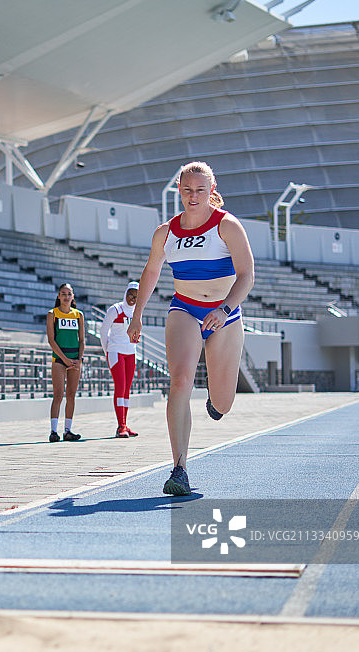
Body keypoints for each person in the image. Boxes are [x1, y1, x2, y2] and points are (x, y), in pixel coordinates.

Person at [127, 161, 254, 496]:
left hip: (224, 314)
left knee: (224, 404)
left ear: (211, 191)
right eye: (187, 190)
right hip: (185, 309)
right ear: (179, 190)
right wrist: (137, 314)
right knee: (180, 380)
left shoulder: (227, 226)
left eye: (200, 190)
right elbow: (151, 273)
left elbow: (247, 276)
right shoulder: (165, 232)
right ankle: (179, 468)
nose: (193, 196)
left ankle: (216, 399)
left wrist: (225, 309)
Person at [100, 281, 140, 438]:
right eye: (130, 294)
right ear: (126, 293)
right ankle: (120, 426)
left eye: (136, 296)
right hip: (116, 352)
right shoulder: (115, 309)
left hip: (131, 353)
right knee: (120, 386)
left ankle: (125, 424)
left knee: (127, 389)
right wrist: (107, 350)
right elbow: (103, 331)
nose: (132, 298)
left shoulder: (137, 311)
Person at [46, 283, 85, 442]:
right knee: (58, 394)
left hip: (75, 360)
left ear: (73, 296)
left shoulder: (78, 315)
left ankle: (68, 431)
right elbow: (51, 340)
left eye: (69, 294)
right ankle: (53, 431)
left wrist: (79, 359)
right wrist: (65, 359)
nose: (66, 297)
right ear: (58, 296)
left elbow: (82, 340)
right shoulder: (52, 314)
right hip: (59, 360)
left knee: (71, 395)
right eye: (63, 293)